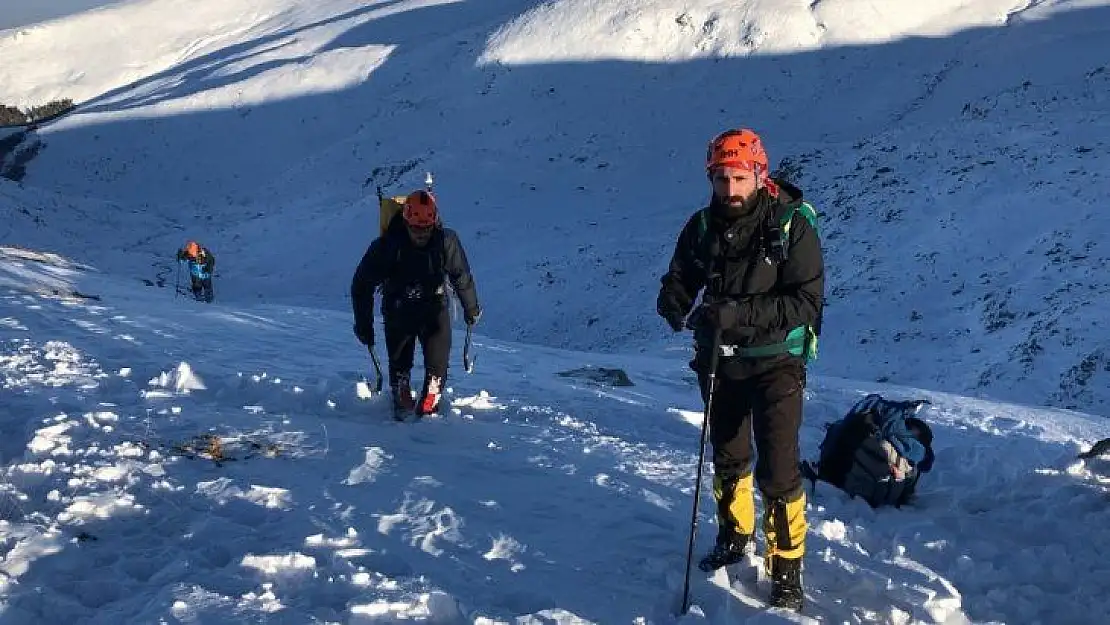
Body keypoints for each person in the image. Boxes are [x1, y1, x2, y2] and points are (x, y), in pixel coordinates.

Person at [656, 128, 824, 611]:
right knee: (729, 457)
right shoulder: (702, 226)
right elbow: (683, 274)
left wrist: (737, 317)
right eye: (721, 178)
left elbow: (805, 303)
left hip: (777, 361)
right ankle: (734, 537)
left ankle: (786, 566)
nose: (730, 189)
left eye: (738, 178)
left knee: (778, 467)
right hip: (720, 359)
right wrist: (674, 299)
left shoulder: (792, 224)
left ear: (759, 174)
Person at [350, 189, 481, 417]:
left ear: (434, 223)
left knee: (437, 373)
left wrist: (471, 308)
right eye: (416, 228)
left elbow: (461, 276)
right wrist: (364, 324)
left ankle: (428, 414)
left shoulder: (445, 242)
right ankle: (402, 408)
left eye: (426, 228)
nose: (421, 234)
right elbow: (362, 285)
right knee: (400, 369)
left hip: (434, 308)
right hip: (399, 310)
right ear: (406, 221)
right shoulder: (388, 246)